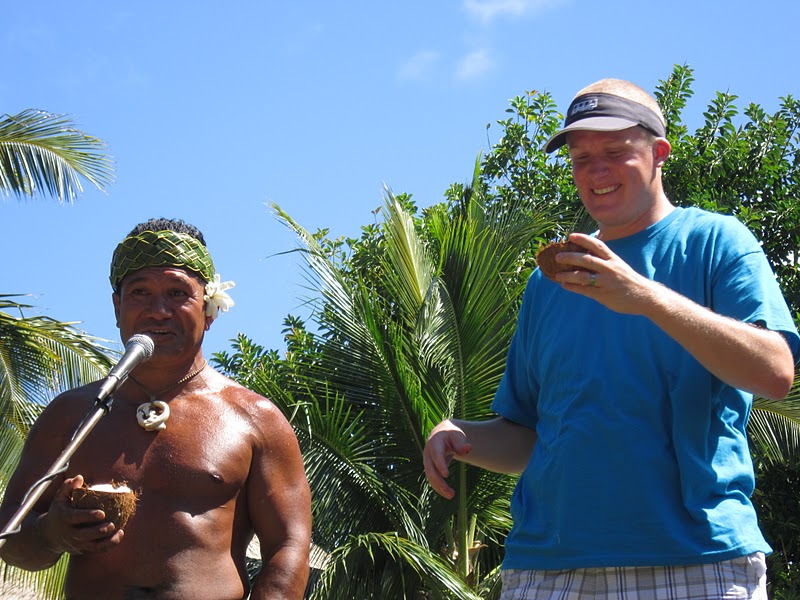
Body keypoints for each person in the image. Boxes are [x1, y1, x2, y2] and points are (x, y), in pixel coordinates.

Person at [423, 79, 800, 599]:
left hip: (695, 561)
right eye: (581, 158)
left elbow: (774, 372)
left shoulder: (716, 242)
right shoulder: (548, 283)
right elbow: (528, 436)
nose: (595, 171)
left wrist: (645, 297)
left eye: (615, 152)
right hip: (546, 569)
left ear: (660, 152)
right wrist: (459, 435)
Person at [0, 218, 312, 599]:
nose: (158, 310)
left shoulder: (254, 418)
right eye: (140, 292)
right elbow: (9, 536)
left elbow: (289, 546)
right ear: (117, 306)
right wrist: (50, 534)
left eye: (178, 293)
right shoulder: (72, 414)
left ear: (209, 310)